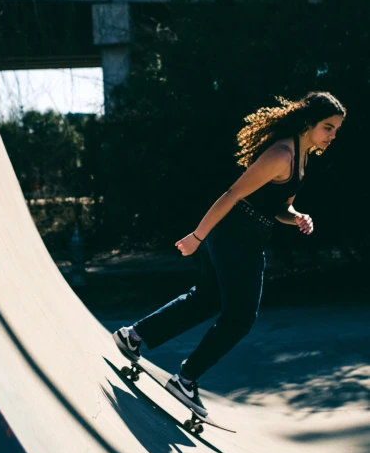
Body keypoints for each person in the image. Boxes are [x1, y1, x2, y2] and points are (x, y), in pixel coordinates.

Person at [113, 91, 346, 417]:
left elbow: (278, 206)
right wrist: (197, 236)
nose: (333, 135)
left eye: (336, 129)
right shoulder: (282, 154)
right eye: (328, 127)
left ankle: (133, 336)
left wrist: (296, 217)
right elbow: (234, 193)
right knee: (239, 317)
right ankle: (185, 379)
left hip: (242, 235)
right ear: (309, 123)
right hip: (235, 236)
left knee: (206, 299)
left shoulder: (302, 157)